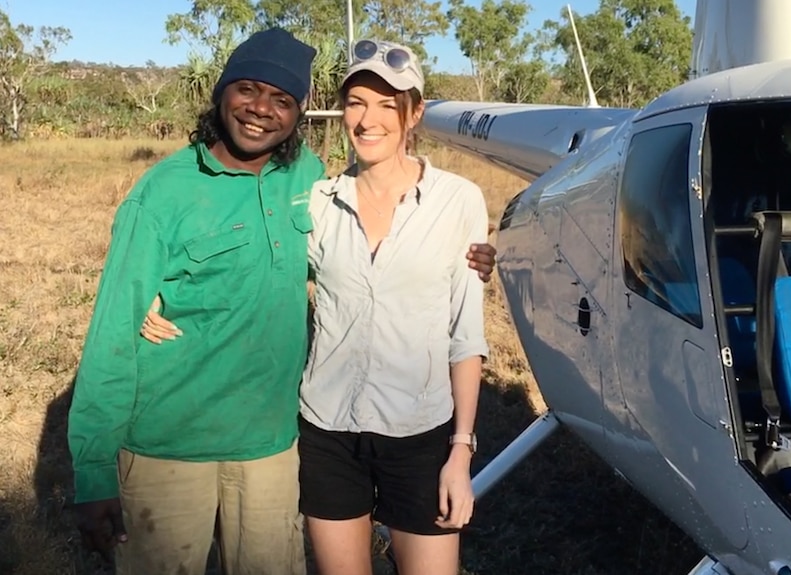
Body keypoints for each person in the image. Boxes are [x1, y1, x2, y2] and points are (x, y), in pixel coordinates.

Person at [73, 28, 497, 575]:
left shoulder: (309, 182)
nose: (260, 110)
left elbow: (422, 299)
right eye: (247, 89)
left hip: (274, 450)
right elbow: (112, 332)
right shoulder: (185, 191)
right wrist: (92, 471)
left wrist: (489, 255)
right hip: (172, 448)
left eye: (282, 100)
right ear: (221, 93)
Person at [297, 39, 488, 575]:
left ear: (415, 112)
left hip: (421, 434)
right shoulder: (318, 202)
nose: (368, 119)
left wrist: (460, 451)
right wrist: (170, 288)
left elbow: (466, 333)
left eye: (387, 104)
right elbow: (262, 272)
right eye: (356, 102)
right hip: (328, 429)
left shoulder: (459, 201)